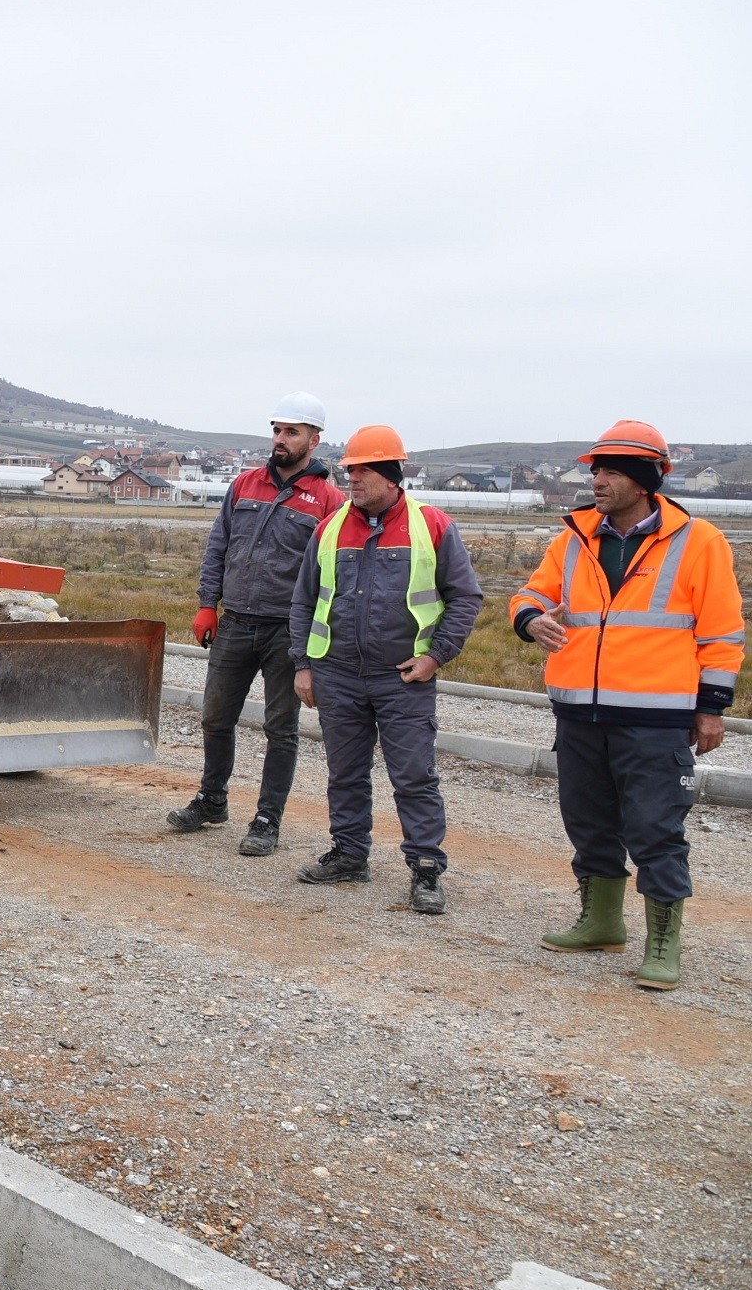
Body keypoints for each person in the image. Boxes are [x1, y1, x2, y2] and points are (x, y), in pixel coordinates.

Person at [513, 421, 744, 990]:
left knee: (655, 829)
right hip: (580, 712)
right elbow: (532, 593)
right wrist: (528, 618)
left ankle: (663, 943)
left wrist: (711, 707)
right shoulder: (573, 538)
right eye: (596, 469)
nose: (598, 480)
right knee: (588, 822)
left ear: (644, 481)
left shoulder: (700, 541)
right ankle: (602, 921)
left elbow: (722, 633)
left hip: (656, 718)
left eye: (611, 470)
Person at [288, 425, 484, 914]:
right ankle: (350, 854)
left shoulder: (432, 525)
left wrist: (435, 656)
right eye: (350, 470)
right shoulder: (329, 529)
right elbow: (304, 602)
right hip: (336, 674)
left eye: (365, 470)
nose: (353, 479)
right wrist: (304, 666)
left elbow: (465, 598)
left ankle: (425, 869)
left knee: (414, 775)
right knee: (346, 772)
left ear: (393, 475)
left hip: (402, 677)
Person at [168, 393, 344, 856]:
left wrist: (316, 640)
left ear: (314, 439)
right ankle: (211, 800)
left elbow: (333, 577)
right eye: (277, 430)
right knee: (215, 718)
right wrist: (209, 603)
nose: (280, 439)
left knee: (281, 729)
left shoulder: (330, 500)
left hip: (287, 631)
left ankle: (268, 820)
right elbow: (218, 546)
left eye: (292, 432)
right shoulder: (245, 485)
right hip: (235, 623)